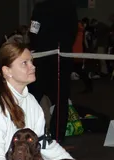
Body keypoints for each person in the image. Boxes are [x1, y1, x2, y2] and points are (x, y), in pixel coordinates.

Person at [28, 0, 78, 144]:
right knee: (61, 98)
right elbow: (73, 31)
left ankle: (30, 132)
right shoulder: (70, 6)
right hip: (63, 57)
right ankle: (58, 136)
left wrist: (34, 45)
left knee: (34, 94)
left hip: (43, 58)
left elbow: (33, 30)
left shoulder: (40, 7)